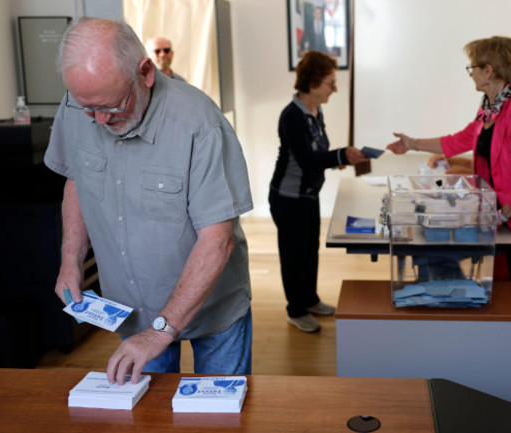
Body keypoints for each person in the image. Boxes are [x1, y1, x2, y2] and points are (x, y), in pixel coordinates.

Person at [44, 18, 253, 385]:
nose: (100, 120)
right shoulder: (79, 106)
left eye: (111, 105)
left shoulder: (200, 125)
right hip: (133, 311)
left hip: (213, 311)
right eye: (88, 109)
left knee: (221, 419)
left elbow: (216, 241)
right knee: (146, 421)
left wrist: (159, 333)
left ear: (146, 73)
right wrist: (69, 261)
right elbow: (77, 180)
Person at [386, 36, 511, 397]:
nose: (470, 72)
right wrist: (414, 144)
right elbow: (462, 139)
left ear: (489, 71)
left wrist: (500, 213)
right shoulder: (491, 105)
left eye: (472, 66)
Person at [269, 50, 368, 333]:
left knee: (309, 250)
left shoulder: (315, 110)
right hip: (288, 199)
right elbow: (306, 159)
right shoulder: (291, 116)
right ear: (312, 84)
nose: (334, 89)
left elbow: (317, 152)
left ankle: (310, 300)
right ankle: (295, 309)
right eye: (330, 83)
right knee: (293, 254)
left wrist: (335, 160)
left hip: (308, 195)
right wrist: (340, 157)